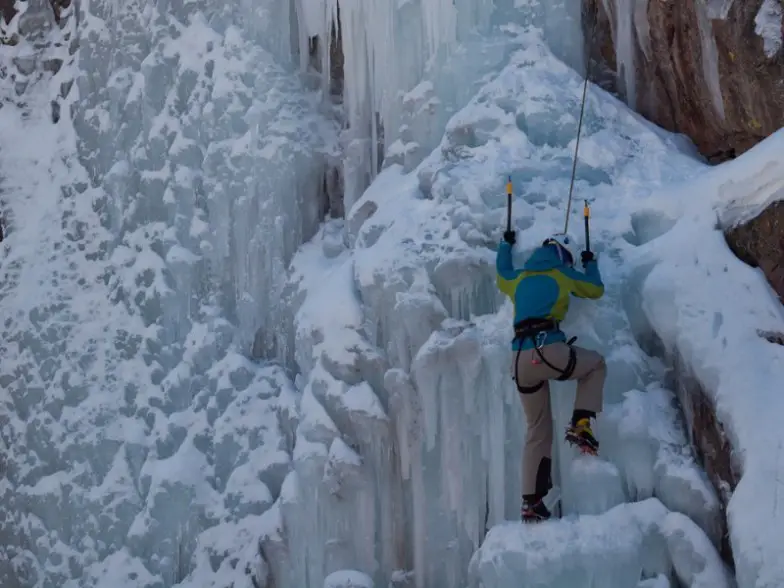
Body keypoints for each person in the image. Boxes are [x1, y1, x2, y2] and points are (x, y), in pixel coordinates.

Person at [496, 229, 607, 523]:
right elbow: (595, 289)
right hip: (547, 350)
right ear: (563, 256)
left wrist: (505, 245)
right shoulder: (562, 274)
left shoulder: (519, 278)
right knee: (595, 365)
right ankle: (581, 423)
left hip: (519, 360)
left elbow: (501, 273)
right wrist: (590, 263)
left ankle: (531, 503)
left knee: (537, 428)